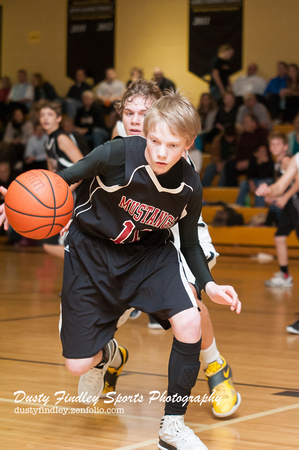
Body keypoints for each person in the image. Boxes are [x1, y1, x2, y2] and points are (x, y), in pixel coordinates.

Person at [0, 91, 241, 450]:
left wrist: (209, 284)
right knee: (78, 365)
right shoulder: (115, 153)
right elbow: (61, 181)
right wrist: (18, 207)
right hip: (91, 254)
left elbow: (188, 243)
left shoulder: (190, 186)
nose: (160, 152)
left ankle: (172, 425)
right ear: (145, 132)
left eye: (171, 145)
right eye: (155, 141)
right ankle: (110, 355)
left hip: (147, 257)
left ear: (187, 145)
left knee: (189, 317)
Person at [90, 82, 241, 421]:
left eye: (143, 113)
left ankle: (216, 368)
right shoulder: (119, 142)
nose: (135, 119)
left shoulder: (168, 144)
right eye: (130, 113)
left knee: (189, 298)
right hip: (132, 239)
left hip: (175, 230)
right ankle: (111, 357)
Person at [222, 113, 269, 186]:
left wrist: (249, 162)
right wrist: (239, 161)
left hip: (256, 162)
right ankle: (233, 190)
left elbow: (263, 152)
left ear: (254, 123)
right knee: (229, 166)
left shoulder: (263, 133)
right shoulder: (244, 134)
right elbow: (239, 150)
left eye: (245, 123)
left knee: (255, 166)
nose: (243, 125)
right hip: (243, 162)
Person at [3, 108, 34, 172]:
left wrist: (21, 140)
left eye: (20, 115)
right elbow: (6, 138)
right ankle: (11, 168)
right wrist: (13, 140)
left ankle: (17, 166)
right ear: (14, 116)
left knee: (19, 147)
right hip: (13, 146)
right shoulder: (11, 124)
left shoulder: (28, 124)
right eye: (16, 115)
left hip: (26, 145)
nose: (18, 117)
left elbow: (31, 137)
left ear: (23, 115)